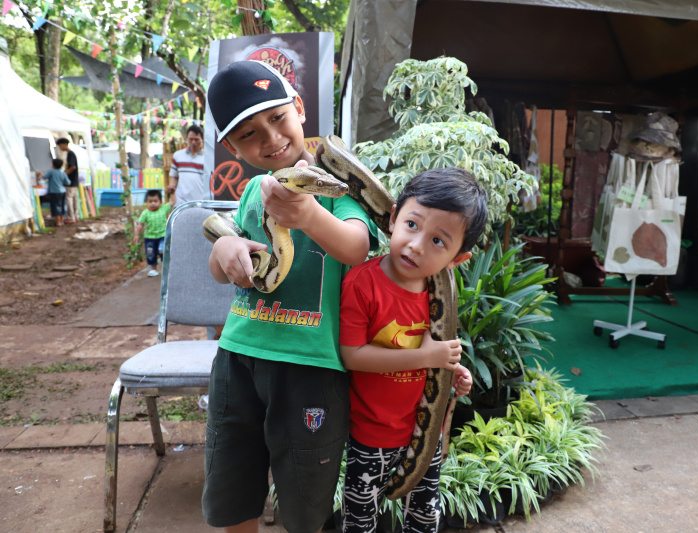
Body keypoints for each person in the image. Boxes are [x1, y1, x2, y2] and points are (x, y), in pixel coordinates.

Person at [202, 59, 379, 533]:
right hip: (238, 357)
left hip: (311, 365)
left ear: (299, 109)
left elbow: (357, 248)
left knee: (306, 495)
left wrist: (308, 215)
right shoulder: (250, 194)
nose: (271, 139)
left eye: (278, 119)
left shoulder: (336, 185)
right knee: (232, 481)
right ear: (231, 147)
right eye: (250, 134)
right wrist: (226, 246)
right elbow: (224, 273)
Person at [338, 167, 487, 533]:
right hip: (369, 434)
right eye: (412, 225)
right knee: (360, 519)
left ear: (457, 259)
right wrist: (427, 356)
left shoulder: (440, 299)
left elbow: (440, 354)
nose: (417, 245)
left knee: (425, 516)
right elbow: (352, 355)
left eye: (439, 241)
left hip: (423, 435)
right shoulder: (361, 283)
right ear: (392, 219)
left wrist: (454, 370)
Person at [132, 189, 174, 277]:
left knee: (163, 250)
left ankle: (166, 268)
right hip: (149, 238)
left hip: (162, 236)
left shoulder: (164, 209)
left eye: (155, 201)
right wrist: (136, 235)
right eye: (150, 201)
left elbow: (173, 201)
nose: (153, 203)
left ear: (160, 202)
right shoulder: (145, 213)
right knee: (150, 254)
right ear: (147, 202)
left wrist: (172, 193)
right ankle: (153, 269)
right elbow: (140, 225)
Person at [167, 124, 206, 206]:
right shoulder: (178, 156)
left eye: (196, 139)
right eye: (191, 139)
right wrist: (172, 186)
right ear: (186, 138)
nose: (193, 142)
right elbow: (174, 176)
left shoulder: (207, 158)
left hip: (201, 202)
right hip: (181, 203)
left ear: (202, 139)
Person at [37, 158, 71, 227]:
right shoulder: (62, 172)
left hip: (54, 192)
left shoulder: (52, 171)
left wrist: (40, 174)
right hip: (62, 191)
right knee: (62, 206)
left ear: (53, 165)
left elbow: (44, 177)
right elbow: (68, 182)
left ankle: (58, 222)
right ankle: (61, 221)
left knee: (56, 206)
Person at [55, 138, 80, 224]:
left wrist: (65, 175)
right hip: (74, 181)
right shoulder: (71, 154)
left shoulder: (70, 154)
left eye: (60, 145)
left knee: (69, 199)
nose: (59, 148)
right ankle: (76, 216)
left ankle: (71, 217)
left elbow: (72, 167)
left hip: (70, 181)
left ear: (64, 144)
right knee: (74, 199)